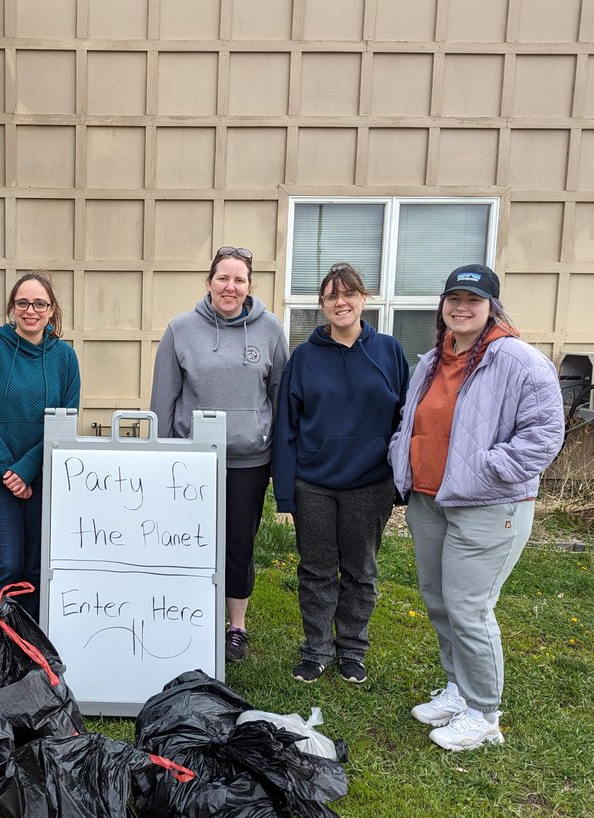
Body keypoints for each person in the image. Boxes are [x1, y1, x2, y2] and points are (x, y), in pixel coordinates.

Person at [389, 264, 564, 751]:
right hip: (429, 500)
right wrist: (400, 457)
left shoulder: (520, 361)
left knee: (469, 607)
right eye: (453, 299)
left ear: (492, 307)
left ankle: (485, 713)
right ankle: (458, 689)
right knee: (441, 602)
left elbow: (545, 434)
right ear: (442, 306)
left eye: (473, 299)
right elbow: (410, 420)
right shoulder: (431, 361)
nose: (461, 308)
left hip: (488, 504)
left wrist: (489, 469)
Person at [273, 262, 409, 685]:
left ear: (363, 299)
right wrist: (285, 494)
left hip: (370, 483)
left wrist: (401, 481)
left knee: (360, 571)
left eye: (348, 294)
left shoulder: (388, 351)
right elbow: (286, 428)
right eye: (331, 296)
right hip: (314, 483)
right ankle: (316, 650)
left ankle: (352, 650)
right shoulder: (304, 357)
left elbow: (406, 419)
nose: (341, 302)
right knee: (315, 570)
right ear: (322, 305)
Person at [150, 246, 288, 662]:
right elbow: (163, 398)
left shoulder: (270, 330)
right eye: (223, 278)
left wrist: (279, 458)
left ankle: (236, 627)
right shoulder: (181, 329)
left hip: (249, 459)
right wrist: (161, 456)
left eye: (239, 280)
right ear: (209, 282)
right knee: (188, 541)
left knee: (238, 544)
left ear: (250, 286)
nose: (230, 287)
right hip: (192, 461)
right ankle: (187, 615)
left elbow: (279, 396)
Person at [0, 271, 80, 627]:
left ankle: (27, 645)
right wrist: (7, 470)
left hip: (43, 476)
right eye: (23, 303)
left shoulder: (64, 358)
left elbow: (67, 418)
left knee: (36, 565)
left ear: (52, 310)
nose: (31, 310)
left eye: (39, 303)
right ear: (12, 308)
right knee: (7, 564)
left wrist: (27, 468)